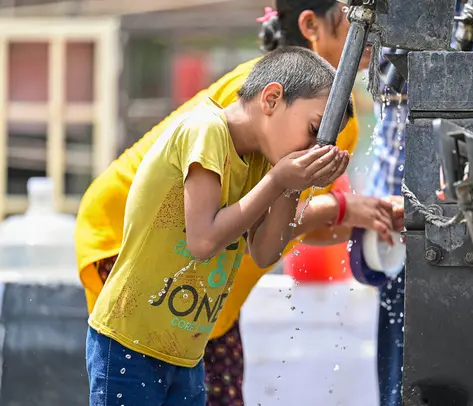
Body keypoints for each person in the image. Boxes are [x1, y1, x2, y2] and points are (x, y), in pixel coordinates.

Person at [75, 1, 399, 404]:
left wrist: (294, 185)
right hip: (132, 305)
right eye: (356, 17)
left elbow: (265, 248)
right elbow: (205, 239)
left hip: (190, 333)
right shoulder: (220, 122)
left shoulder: (285, 140)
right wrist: (306, 190)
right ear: (271, 100)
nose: (372, 33)